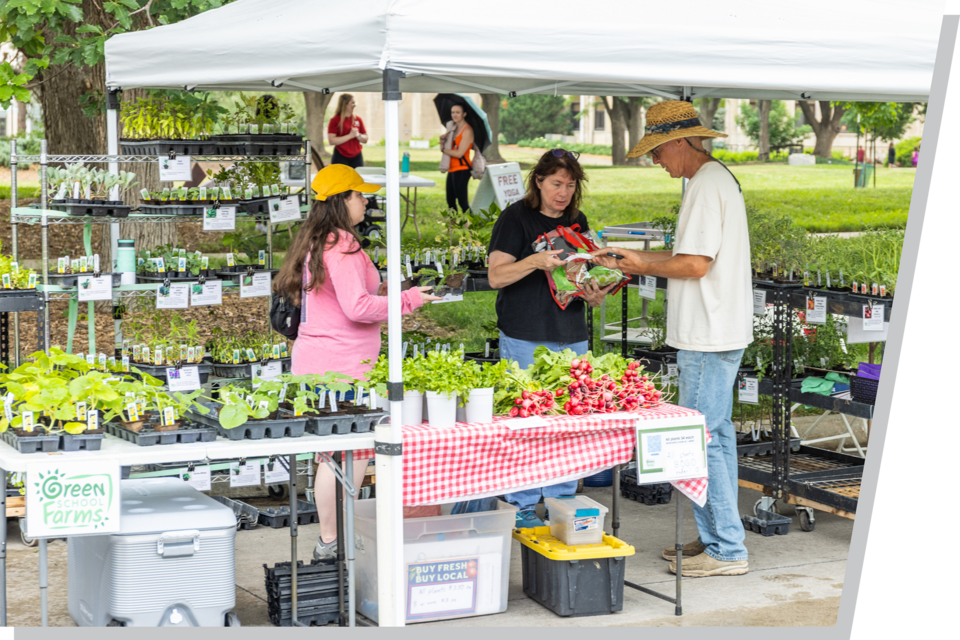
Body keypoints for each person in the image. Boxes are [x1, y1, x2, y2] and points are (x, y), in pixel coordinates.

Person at [591, 100, 752, 578]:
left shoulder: (704, 186)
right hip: (717, 329)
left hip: (707, 333)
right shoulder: (713, 179)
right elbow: (689, 253)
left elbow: (695, 265)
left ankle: (726, 548)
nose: (656, 162)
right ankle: (718, 538)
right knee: (715, 438)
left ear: (679, 143)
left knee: (705, 441)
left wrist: (638, 265)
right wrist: (631, 255)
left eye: (658, 153)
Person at [273, 164, 440, 560]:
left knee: (332, 456)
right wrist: (409, 300)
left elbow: (341, 296)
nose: (366, 201)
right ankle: (331, 543)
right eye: (359, 195)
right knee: (345, 456)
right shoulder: (343, 243)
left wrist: (383, 289)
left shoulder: (318, 239)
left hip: (318, 361)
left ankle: (331, 539)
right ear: (341, 201)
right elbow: (357, 307)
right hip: (341, 367)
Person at [487, 149, 616, 528]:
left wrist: (595, 294)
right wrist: (534, 261)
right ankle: (523, 502)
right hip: (525, 334)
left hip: (571, 334)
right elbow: (496, 276)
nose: (563, 192)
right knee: (528, 422)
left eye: (570, 185)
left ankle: (560, 500)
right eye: (556, 184)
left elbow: (583, 274)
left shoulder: (578, 220)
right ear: (538, 181)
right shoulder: (516, 217)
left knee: (567, 423)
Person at [439, 103, 474, 213]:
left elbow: (459, 153)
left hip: (462, 169)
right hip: (452, 168)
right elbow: (449, 147)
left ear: (464, 114)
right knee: (450, 201)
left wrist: (443, 150)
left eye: (458, 112)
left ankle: (471, 228)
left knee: (462, 201)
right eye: (453, 112)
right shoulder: (452, 129)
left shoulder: (467, 130)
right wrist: (442, 141)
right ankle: (451, 228)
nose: (454, 115)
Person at [327, 94, 368, 168]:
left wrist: (358, 135)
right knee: (341, 179)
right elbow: (332, 140)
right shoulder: (335, 120)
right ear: (345, 104)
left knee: (357, 179)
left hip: (357, 156)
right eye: (352, 103)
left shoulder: (358, 119)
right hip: (340, 156)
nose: (354, 105)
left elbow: (365, 139)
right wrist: (350, 136)